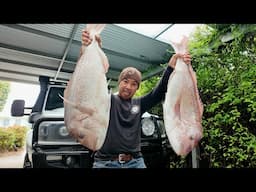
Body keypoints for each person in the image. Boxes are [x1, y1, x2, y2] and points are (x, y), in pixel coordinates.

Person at [81, 29, 191, 168]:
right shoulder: (106, 101)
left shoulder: (139, 104)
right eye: (125, 81)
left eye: (134, 84)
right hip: (105, 162)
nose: (128, 86)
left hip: (135, 162)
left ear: (137, 88)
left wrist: (170, 67)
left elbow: (158, 93)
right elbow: (92, 80)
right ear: (119, 82)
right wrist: (92, 49)